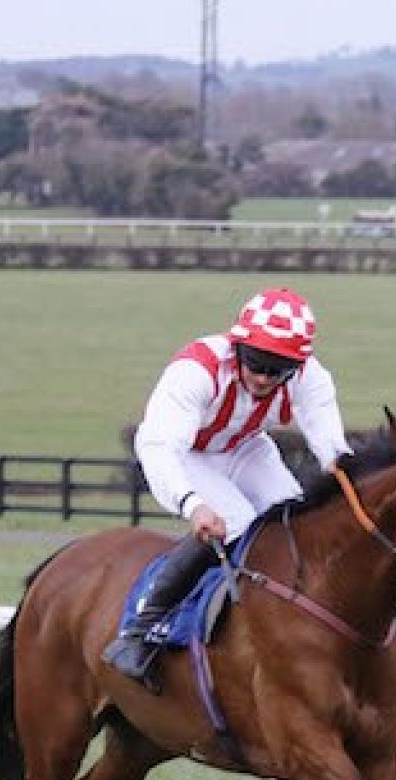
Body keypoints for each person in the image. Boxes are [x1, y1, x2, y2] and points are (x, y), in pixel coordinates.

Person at [101, 286, 354, 687]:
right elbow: (160, 447)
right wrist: (193, 504)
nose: (263, 378)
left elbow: (333, 449)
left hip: (244, 447)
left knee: (293, 519)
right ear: (238, 345)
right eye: (256, 362)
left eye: (278, 370)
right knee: (235, 524)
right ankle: (141, 631)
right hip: (184, 454)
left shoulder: (311, 377)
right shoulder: (196, 370)